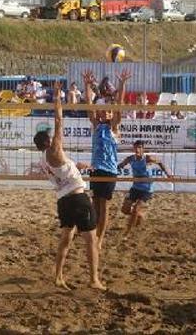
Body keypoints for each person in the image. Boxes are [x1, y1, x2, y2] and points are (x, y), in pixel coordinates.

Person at [31, 81, 105, 291]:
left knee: (66, 238)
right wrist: (57, 96)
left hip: (63, 200)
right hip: (78, 199)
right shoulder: (54, 148)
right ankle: (93, 279)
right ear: (48, 141)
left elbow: (64, 168)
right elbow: (58, 119)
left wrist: (79, 166)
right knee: (91, 240)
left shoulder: (44, 159)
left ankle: (58, 276)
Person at [84, 69, 132, 250]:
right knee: (95, 205)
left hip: (109, 170)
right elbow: (88, 105)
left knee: (103, 207)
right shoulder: (97, 125)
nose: (105, 113)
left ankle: (100, 239)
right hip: (96, 169)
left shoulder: (114, 128)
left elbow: (118, 105)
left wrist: (122, 84)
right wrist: (87, 84)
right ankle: (95, 235)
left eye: (108, 112)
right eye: (103, 111)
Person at [117, 141, 173, 239]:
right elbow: (120, 166)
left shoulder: (148, 158)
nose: (137, 150)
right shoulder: (130, 158)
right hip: (135, 187)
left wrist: (168, 174)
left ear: (143, 149)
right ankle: (139, 215)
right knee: (124, 210)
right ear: (133, 149)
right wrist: (116, 170)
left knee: (135, 208)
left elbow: (160, 162)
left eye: (139, 148)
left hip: (147, 189)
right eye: (135, 148)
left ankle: (127, 233)